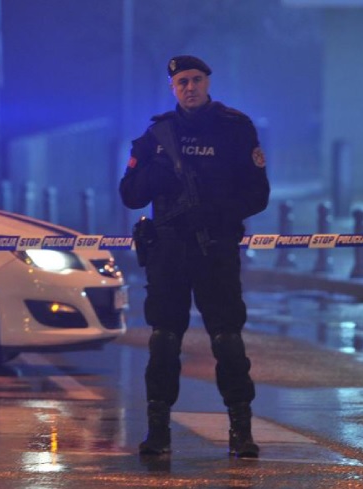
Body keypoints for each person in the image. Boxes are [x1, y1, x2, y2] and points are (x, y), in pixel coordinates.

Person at [119, 55, 270, 458]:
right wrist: (156, 173)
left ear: (208, 82)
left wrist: (218, 212)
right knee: (164, 341)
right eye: (182, 81)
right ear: (173, 87)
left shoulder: (235, 128)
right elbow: (130, 194)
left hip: (215, 249)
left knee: (228, 340)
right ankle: (158, 432)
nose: (190, 87)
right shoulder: (157, 134)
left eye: (197, 79)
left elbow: (258, 194)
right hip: (168, 251)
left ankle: (241, 431)